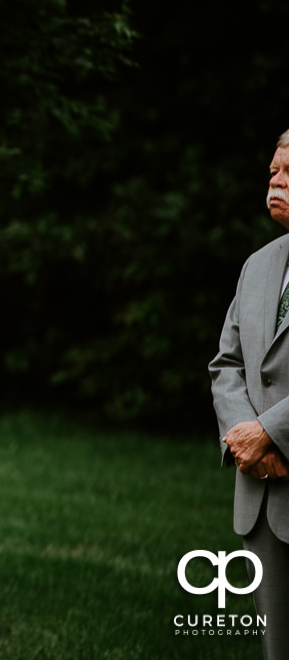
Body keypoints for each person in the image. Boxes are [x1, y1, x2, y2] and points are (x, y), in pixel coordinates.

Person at [209, 129, 289, 660]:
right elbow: (228, 363)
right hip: (263, 494)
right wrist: (245, 439)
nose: (275, 184)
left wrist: (273, 432)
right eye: (272, 173)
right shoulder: (257, 264)